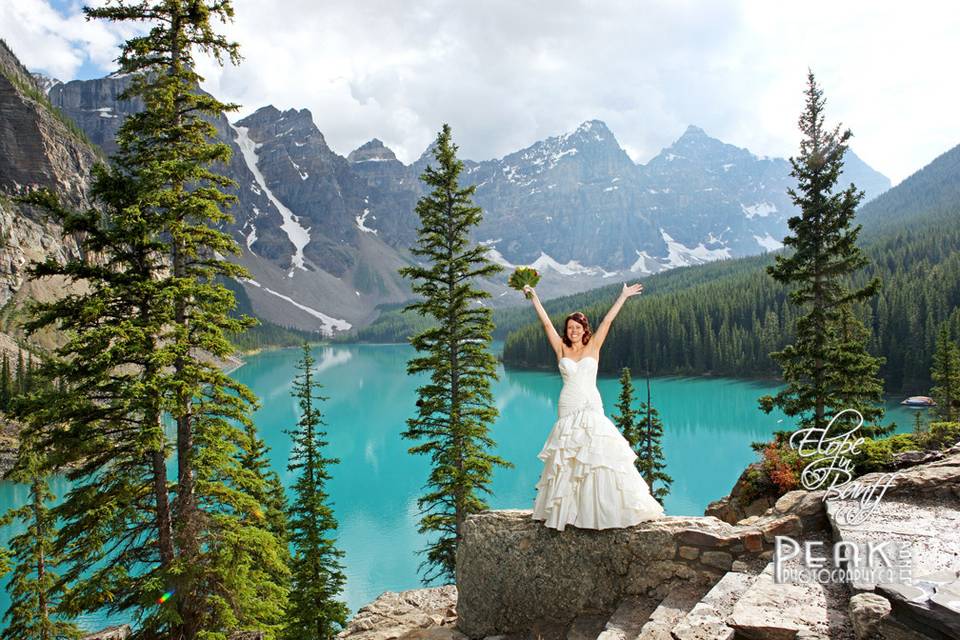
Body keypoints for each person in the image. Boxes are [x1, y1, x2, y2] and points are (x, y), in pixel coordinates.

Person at [522, 282, 665, 531]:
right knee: (568, 456)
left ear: (584, 329)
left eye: (577, 327)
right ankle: (567, 513)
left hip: (590, 403)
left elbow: (607, 322)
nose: (574, 331)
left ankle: (601, 513)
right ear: (566, 331)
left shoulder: (593, 346)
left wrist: (623, 296)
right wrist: (534, 296)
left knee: (597, 453)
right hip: (568, 404)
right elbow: (545, 324)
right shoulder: (561, 348)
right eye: (570, 328)